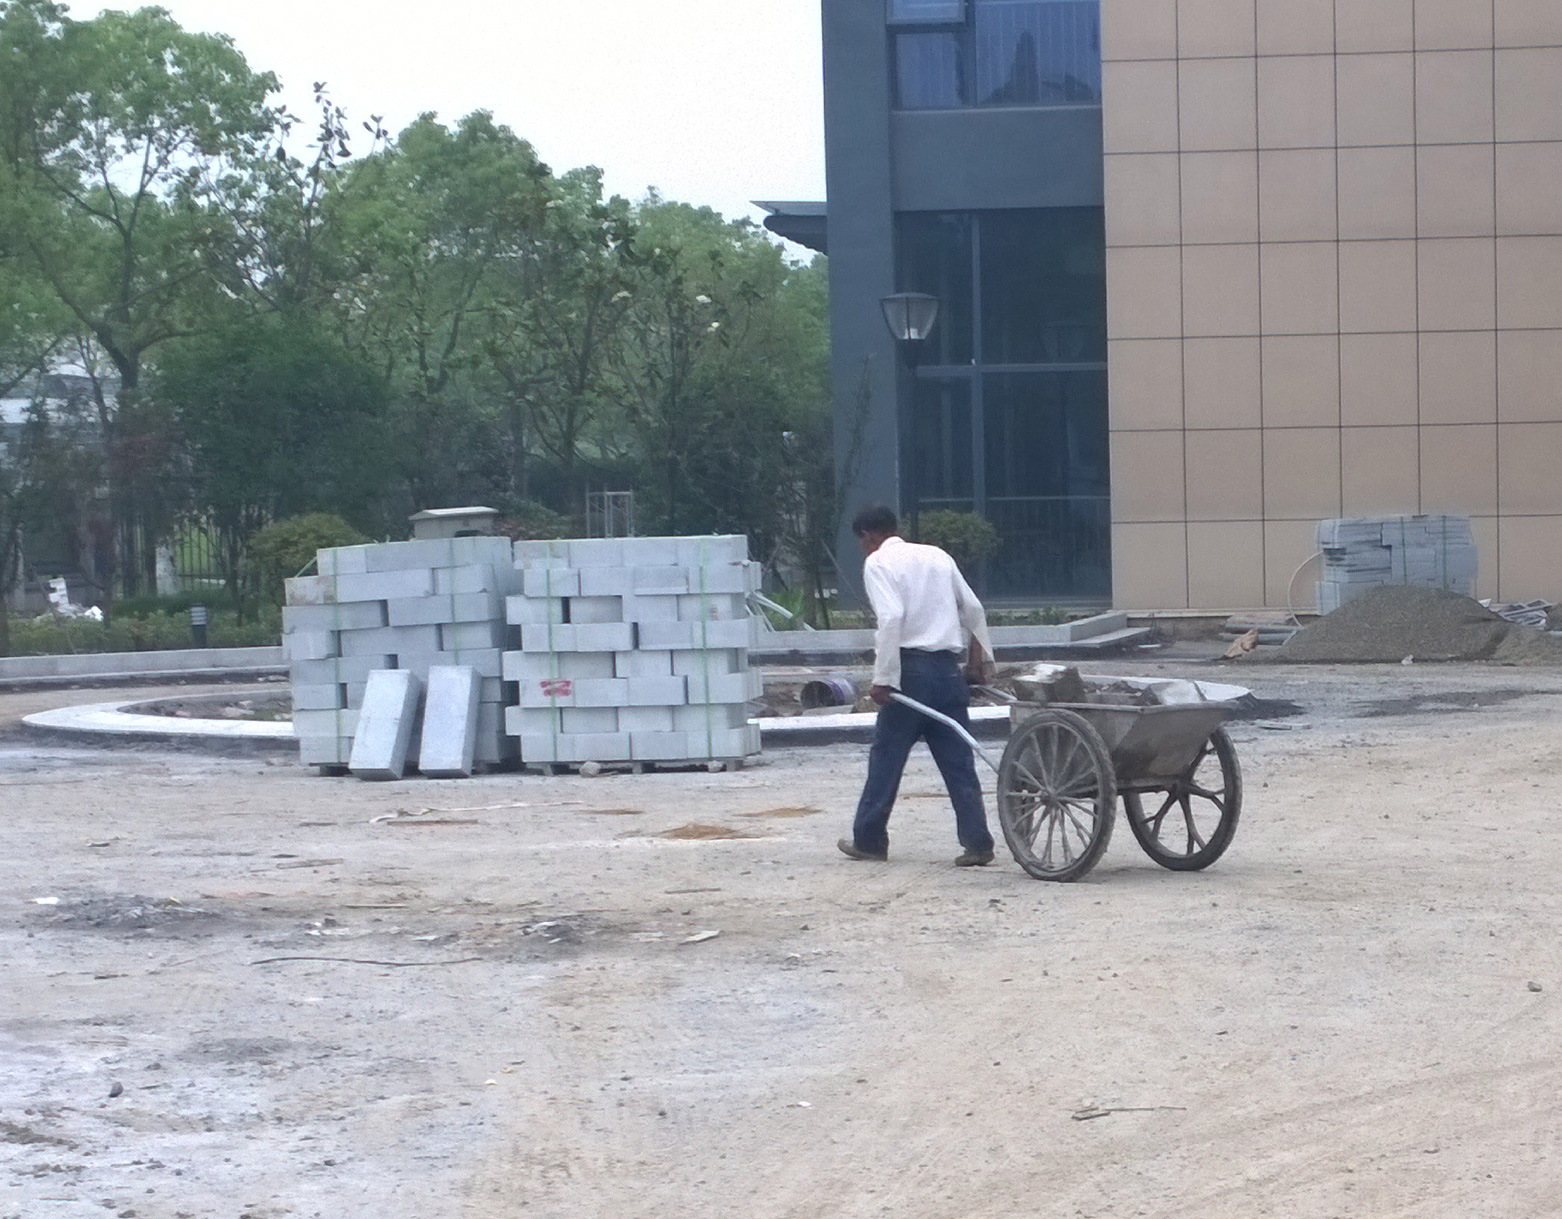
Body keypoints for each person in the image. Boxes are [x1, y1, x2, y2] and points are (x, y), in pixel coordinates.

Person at [838, 505, 998, 867]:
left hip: (911, 674)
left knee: (886, 759)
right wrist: (980, 661)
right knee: (958, 762)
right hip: (946, 671)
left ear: (868, 536)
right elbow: (973, 608)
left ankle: (869, 840)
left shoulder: (878, 563)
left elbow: (891, 617)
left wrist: (883, 680)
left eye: (862, 542)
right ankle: (978, 843)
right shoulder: (937, 556)